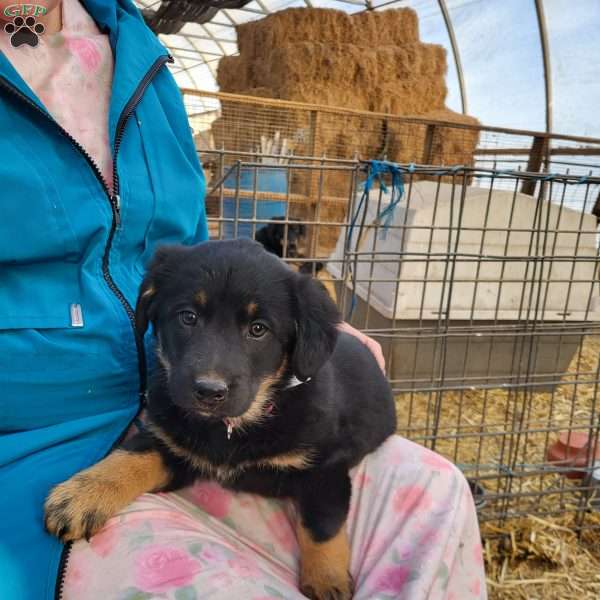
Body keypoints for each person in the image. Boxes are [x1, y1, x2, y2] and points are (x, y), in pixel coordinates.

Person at [0, 0, 487, 598]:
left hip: (201, 416)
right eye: (188, 316)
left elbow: (191, 248)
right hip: (41, 427)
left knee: (439, 491)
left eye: (257, 331)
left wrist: (318, 335)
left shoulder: (138, 53)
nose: (211, 366)